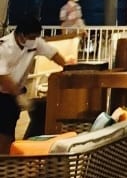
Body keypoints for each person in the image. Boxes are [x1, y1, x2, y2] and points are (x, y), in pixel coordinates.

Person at [0, 17, 75, 153]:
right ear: (21, 35)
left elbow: (53, 54)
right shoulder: (4, 47)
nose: (34, 40)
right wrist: (18, 95)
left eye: (36, 37)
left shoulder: (35, 42)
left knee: (10, 126)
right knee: (3, 129)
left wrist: (68, 69)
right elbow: (3, 76)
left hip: (17, 90)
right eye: (31, 37)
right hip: (3, 93)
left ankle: (7, 156)